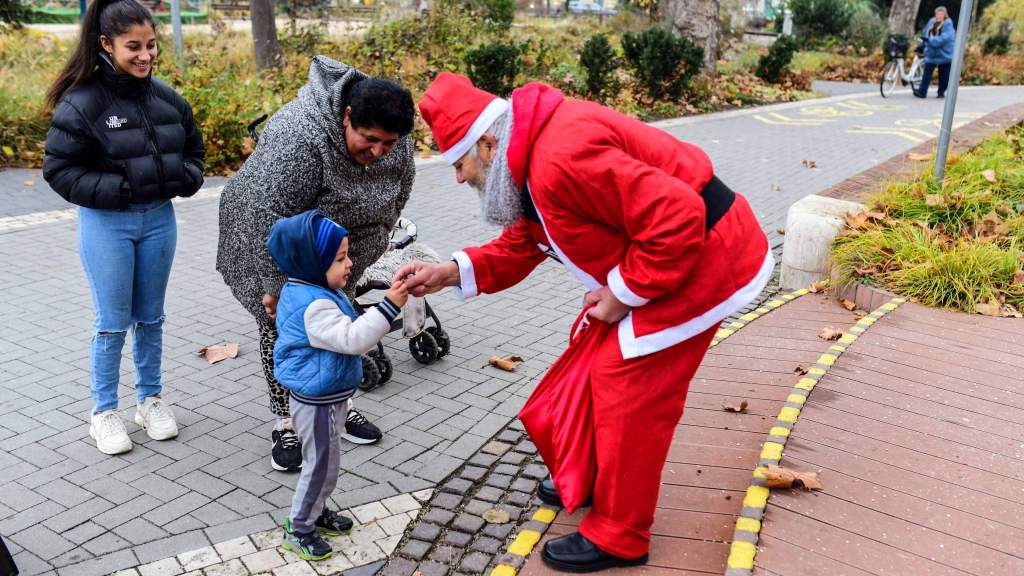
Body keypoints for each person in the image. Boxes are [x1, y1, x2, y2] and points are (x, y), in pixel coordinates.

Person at [397, 73, 772, 572]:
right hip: (666, 263)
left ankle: (622, 534)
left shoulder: (559, 158)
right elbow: (526, 241)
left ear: (487, 144)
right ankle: (595, 479)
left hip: (705, 259)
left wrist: (621, 293)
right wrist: (450, 273)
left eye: (460, 164)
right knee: (597, 365)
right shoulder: (530, 156)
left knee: (627, 387)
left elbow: (678, 217)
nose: (459, 179)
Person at [216, 57, 416, 471]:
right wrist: (274, 285)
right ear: (346, 116)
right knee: (282, 329)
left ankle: (338, 409)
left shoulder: (396, 139)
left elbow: (400, 189)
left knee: (338, 324)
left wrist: (377, 234)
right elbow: (264, 215)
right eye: (369, 139)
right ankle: (285, 421)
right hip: (270, 240)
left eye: (389, 143)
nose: (379, 153)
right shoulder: (299, 136)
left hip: (337, 247)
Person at [43, 0, 205, 455]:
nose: (145, 55)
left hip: (159, 222)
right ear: (106, 45)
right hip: (106, 226)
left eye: (151, 45)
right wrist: (121, 188)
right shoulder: (82, 103)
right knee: (113, 322)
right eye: (133, 46)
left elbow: (195, 154)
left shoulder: (168, 98)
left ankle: (150, 400)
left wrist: (183, 179)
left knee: (151, 318)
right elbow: (59, 170)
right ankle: (104, 412)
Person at [267, 210, 408, 561]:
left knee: (326, 464)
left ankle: (316, 511)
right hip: (316, 402)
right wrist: (389, 305)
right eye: (340, 258)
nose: (349, 264)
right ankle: (299, 527)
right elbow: (353, 339)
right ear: (312, 262)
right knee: (320, 466)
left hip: (327, 395)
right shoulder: (314, 305)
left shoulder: (311, 288)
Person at [915, 6, 955, 99]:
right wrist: (922, 44)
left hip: (944, 53)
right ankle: (922, 92)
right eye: (937, 14)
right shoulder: (932, 21)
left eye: (941, 14)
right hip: (932, 53)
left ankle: (941, 92)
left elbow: (944, 38)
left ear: (945, 15)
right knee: (927, 73)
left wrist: (931, 40)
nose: (939, 16)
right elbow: (926, 33)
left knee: (944, 76)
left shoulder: (948, 23)